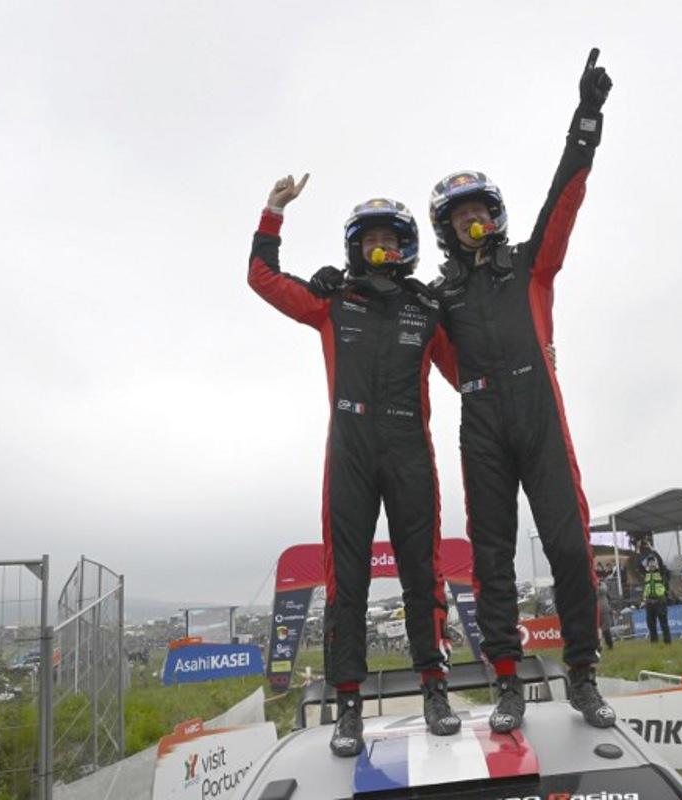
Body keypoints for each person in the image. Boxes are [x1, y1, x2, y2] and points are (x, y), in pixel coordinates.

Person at [425, 48, 614, 732]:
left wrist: (586, 119)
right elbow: (403, 336)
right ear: (445, 228)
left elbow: (564, 195)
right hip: (482, 424)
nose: (472, 221)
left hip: (539, 414)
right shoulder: (438, 296)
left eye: (481, 210)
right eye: (459, 215)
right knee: (491, 559)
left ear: (497, 215)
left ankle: (584, 676)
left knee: (568, 546)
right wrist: (343, 281)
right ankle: (507, 683)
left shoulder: (533, 264)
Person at [248, 179, 461, 756]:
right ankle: (348, 707)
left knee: (422, 573)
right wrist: (273, 214)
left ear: (408, 245)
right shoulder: (332, 300)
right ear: (353, 246)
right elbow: (263, 280)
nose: (380, 249)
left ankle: (435, 689)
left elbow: (471, 374)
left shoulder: (427, 307)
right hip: (351, 452)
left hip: (410, 450)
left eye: (390, 239)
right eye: (370, 240)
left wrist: (537, 354)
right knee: (348, 583)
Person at [639, 542, 672, 645]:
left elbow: (660, 561)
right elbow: (638, 564)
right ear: (647, 565)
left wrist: (652, 549)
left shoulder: (660, 572)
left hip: (660, 601)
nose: (651, 564)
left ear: (655, 563)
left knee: (663, 623)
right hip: (649, 602)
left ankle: (667, 641)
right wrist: (637, 550)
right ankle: (654, 642)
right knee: (651, 624)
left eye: (653, 562)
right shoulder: (646, 573)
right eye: (649, 562)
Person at [597, 580, 615, 651]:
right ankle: (608, 644)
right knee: (604, 628)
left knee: (604, 629)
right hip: (601, 608)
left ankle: (608, 644)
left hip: (600, 608)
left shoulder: (601, 587)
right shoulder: (603, 586)